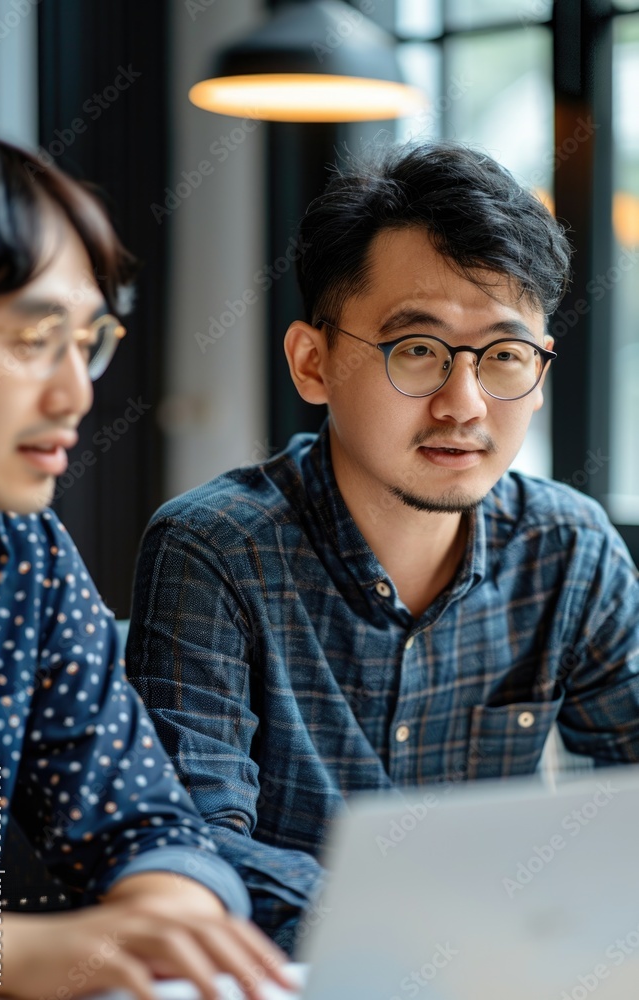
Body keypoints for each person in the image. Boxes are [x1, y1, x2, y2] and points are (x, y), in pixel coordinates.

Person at [126, 140, 639, 952]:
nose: (462, 405)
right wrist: (418, 929)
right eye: (417, 351)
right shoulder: (215, 548)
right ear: (312, 361)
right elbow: (189, 845)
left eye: (504, 356)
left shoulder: (568, 549)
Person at [0, 128, 293, 1000]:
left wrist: (171, 906)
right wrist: (8, 956)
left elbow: (139, 817)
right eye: (37, 337)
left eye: (88, 342)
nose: (76, 394)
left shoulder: (18, 554)